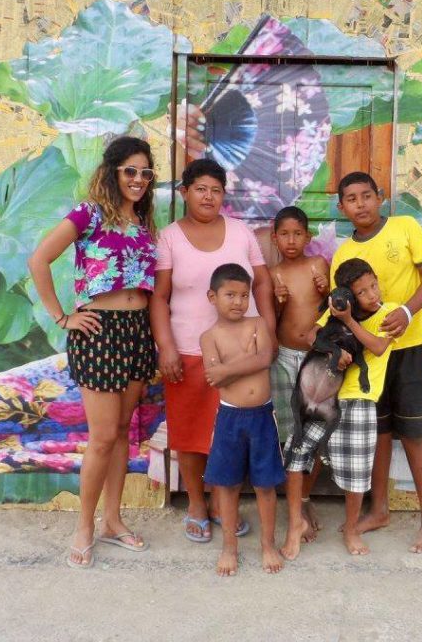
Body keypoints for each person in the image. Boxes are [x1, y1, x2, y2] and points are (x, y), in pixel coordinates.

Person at [28, 134, 159, 568]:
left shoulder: (144, 222)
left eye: (145, 172)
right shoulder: (89, 213)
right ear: (112, 171)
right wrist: (62, 317)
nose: (138, 179)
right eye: (130, 171)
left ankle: (113, 521)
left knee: (123, 432)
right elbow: (39, 260)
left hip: (136, 330)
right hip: (99, 331)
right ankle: (85, 525)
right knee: (102, 437)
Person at [149, 158, 276, 544]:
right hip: (188, 350)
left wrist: (267, 330)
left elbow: (263, 285)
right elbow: (159, 296)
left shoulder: (241, 233)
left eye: (216, 190)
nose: (208, 196)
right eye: (201, 188)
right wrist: (166, 346)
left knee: (231, 433)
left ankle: (224, 506)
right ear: (184, 192)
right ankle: (196, 506)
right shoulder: (169, 237)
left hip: (243, 353)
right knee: (190, 435)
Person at [330, 172, 422, 553]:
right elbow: (342, 311)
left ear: (380, 197)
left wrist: (408, 313)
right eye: (351, 198)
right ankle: (378, 510)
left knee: (414, 432)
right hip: (370, 358)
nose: (360, 204)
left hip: (410, 346)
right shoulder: (343, 253)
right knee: (376, 433)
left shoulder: (404, 226)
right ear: (341, 206)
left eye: (366, 195)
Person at [282, 258, 395, 558]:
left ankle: (351, 528)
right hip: (322, 393)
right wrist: (334, 347)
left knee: (357, 470)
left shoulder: (388, 313)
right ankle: (295, 523)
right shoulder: (335, 309)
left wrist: (347, 323)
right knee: (297, 455)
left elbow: (379, 346)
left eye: (373, 285)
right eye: (362, 291)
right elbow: (309, 337)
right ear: (347, 294)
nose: (372, 294)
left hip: (359, 399)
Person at [200, 264, 284, 576]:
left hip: (262, 416)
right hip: (230, 418)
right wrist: (247, 359)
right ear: (213, 297)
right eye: (230, 295)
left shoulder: (259, 323)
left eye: (244, 295)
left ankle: (267, 544)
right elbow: (215, 378)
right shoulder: (209, 337)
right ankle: (229, 548)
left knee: (265, 485)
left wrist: (232, 365)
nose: (238, 301)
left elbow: (265, 357)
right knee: (228, 485)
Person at [268, 205, 330, 539]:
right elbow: (274, 318)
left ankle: (306, 496)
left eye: (297, 233)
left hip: (317, 359)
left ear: (307, 236)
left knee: (316, 431)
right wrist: (277, 301)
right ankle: (293, 502)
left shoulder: (317, 265)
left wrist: (326, 291)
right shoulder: (272, 272)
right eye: (284, 234)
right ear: (274, 236)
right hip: (284, 358)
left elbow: (333, 310)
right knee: (290, 433)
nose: (291, 241)